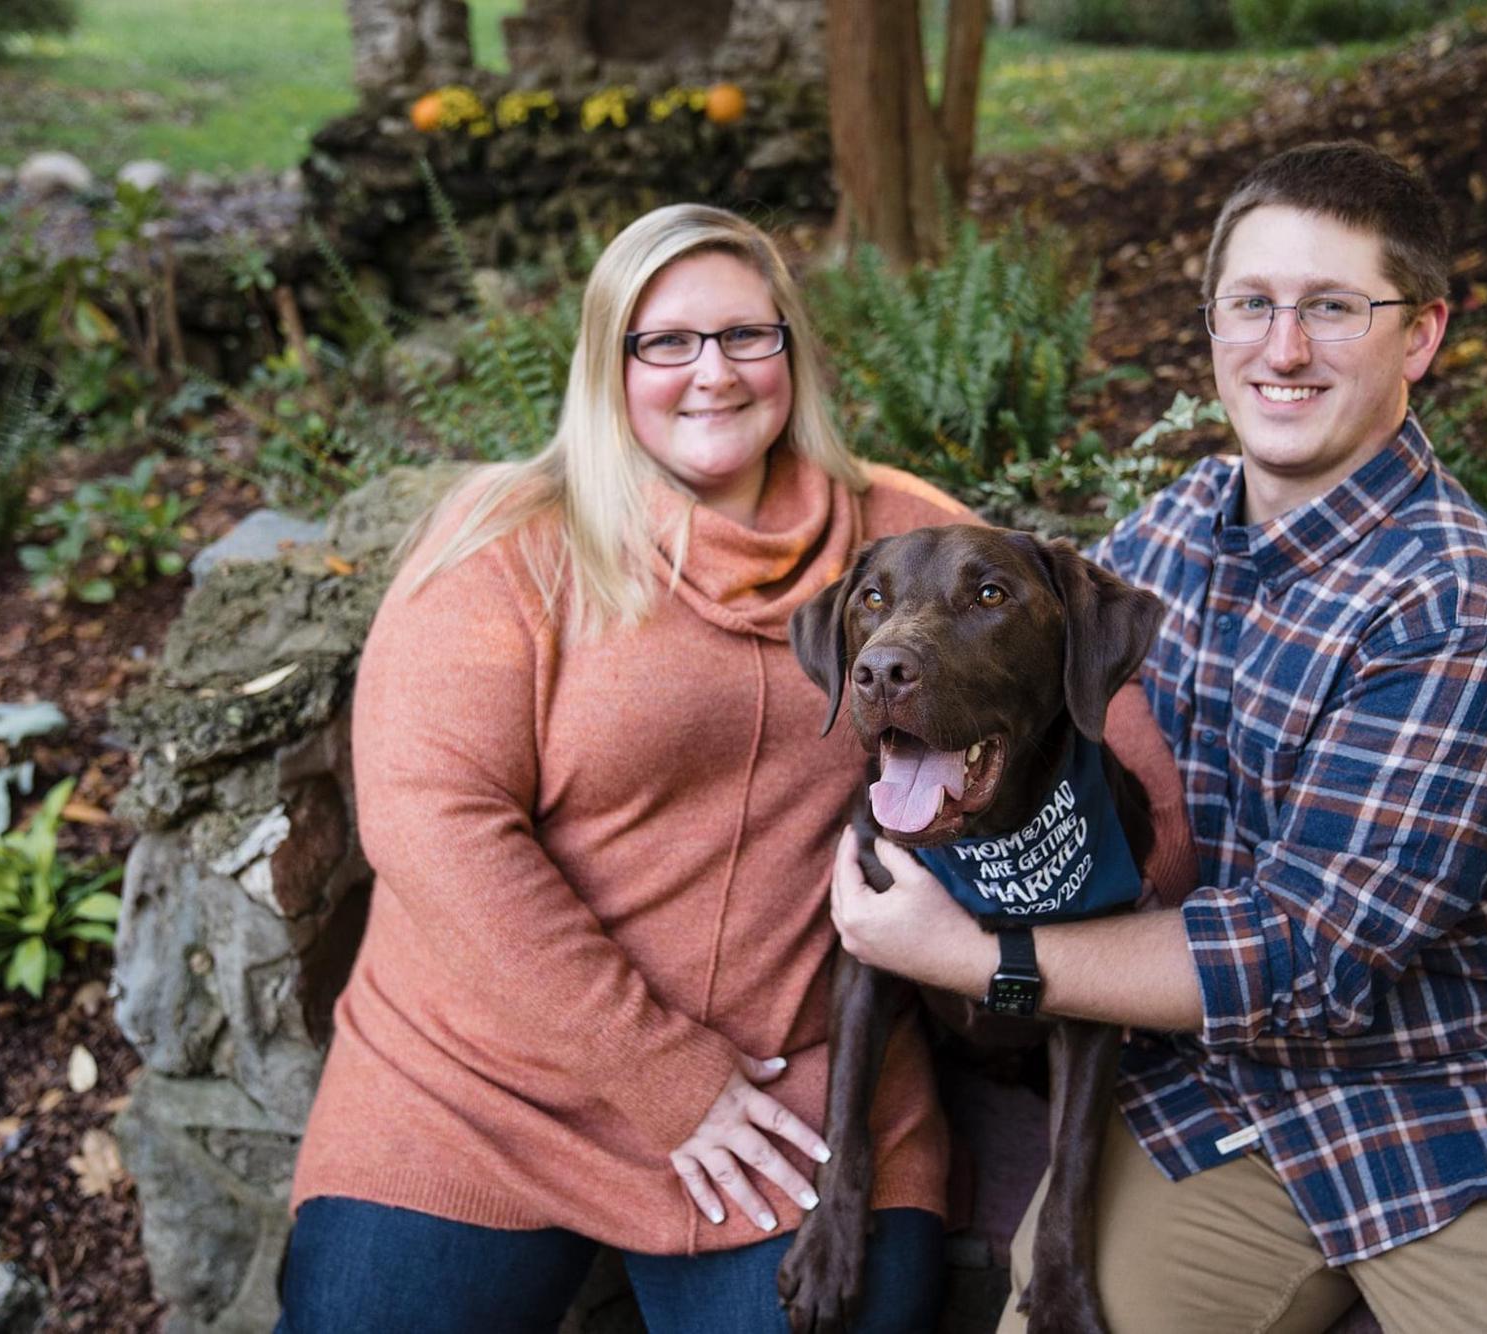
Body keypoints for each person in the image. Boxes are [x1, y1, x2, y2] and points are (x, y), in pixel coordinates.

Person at [829, 141, 1487, 1333]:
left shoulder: (1457, 610)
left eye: (1332, 308)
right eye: (1250, 304)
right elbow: (993, 634)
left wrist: (976, 954)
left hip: (1478, 1117)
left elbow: (1301, 955)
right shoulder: (1172, 528)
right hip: (1211, 1105)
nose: (1280, 348)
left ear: (1422, 333)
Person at [276, 201, 1196, 1334]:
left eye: (744, 335)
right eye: (663, 341)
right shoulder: (509, 538)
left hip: (794, 1092)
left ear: (790, 354)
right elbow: (431, 823)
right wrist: (663, 1073)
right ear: (606, 366)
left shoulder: (896, 529)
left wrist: (1029, 945)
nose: (709, 371)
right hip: (480, 1080)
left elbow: (1109, 726)